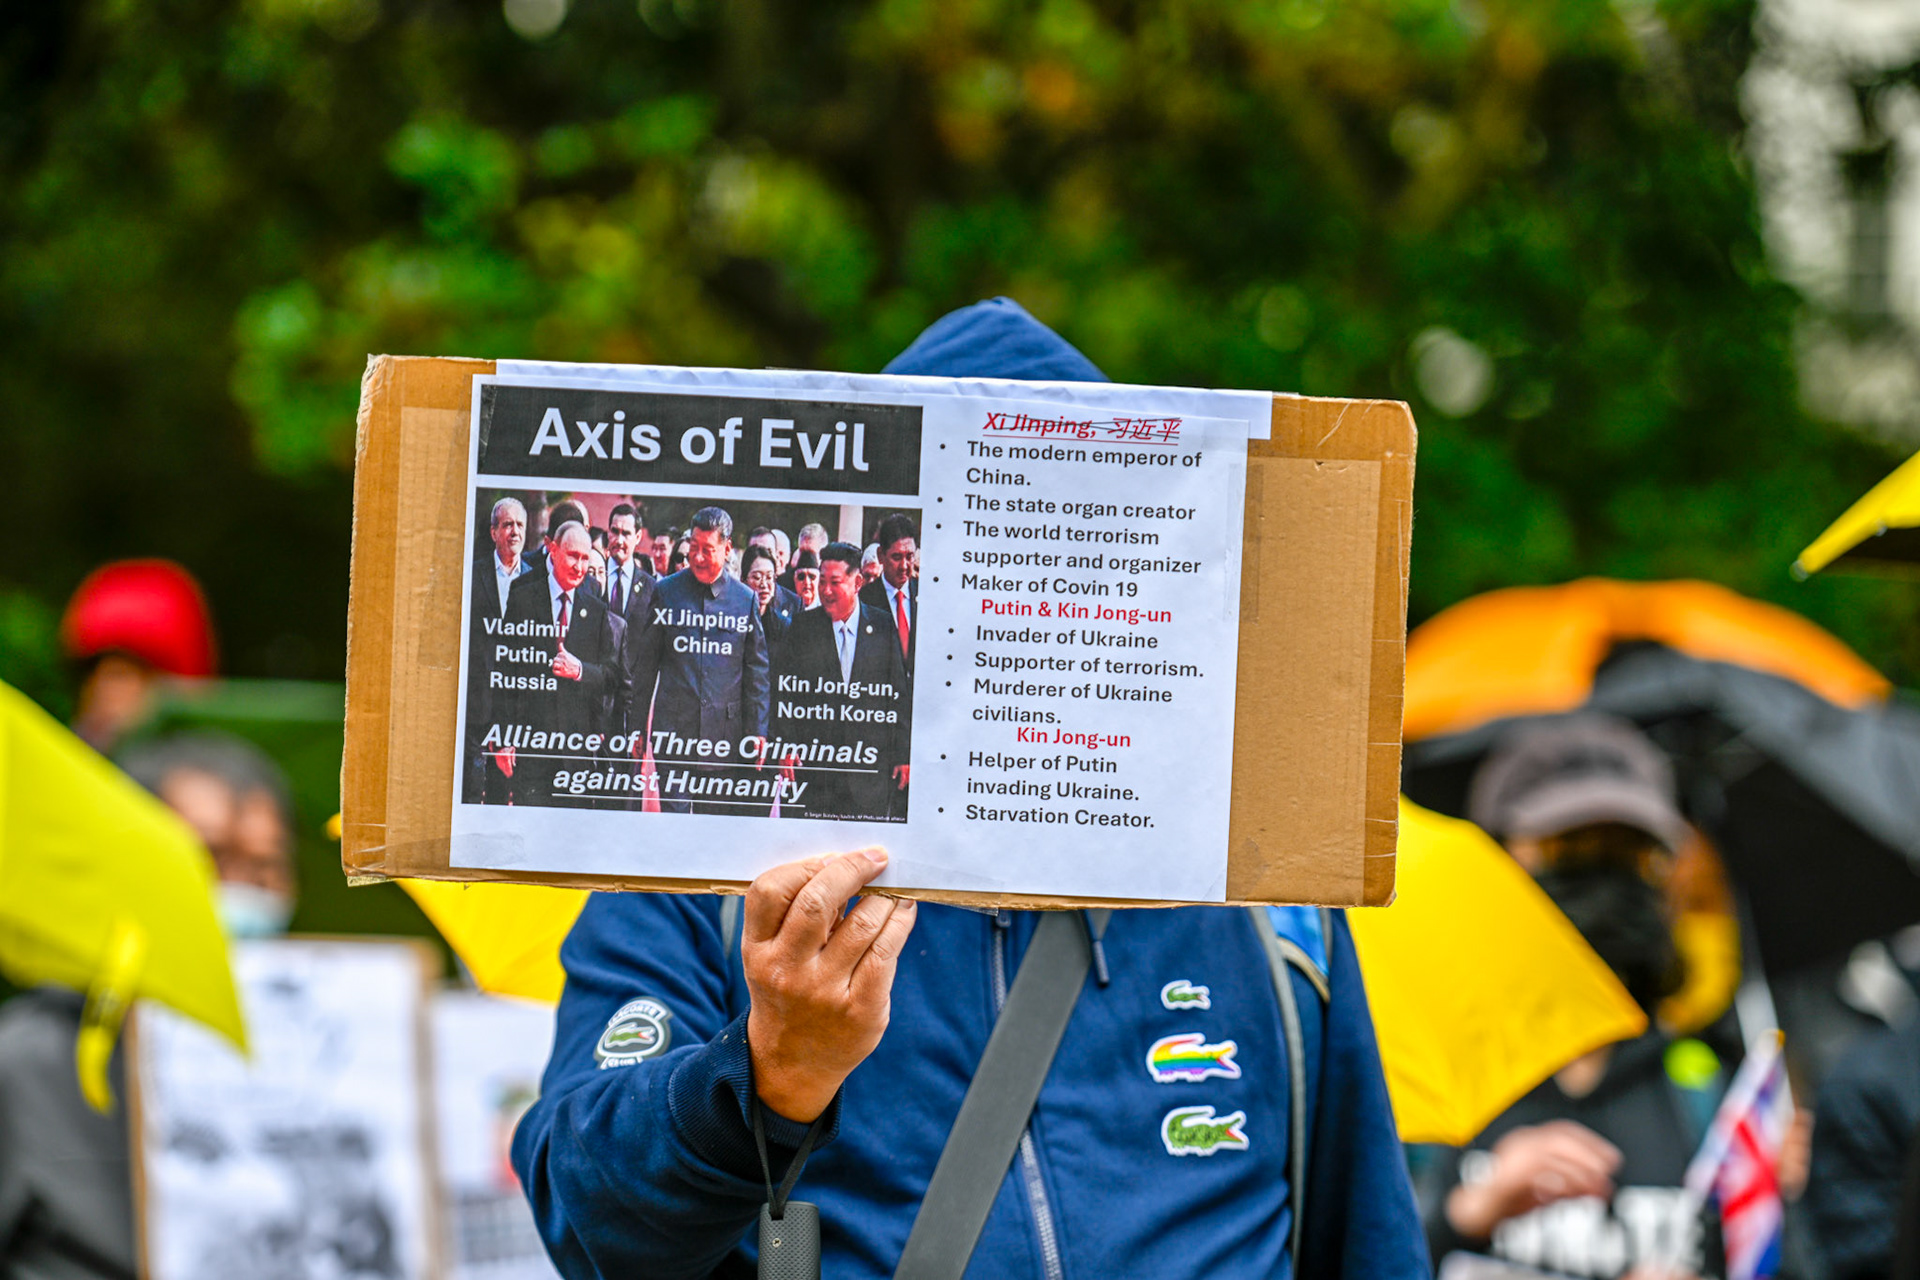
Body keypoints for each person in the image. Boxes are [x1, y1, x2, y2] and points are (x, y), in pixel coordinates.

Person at [511, 297, 1427, 1280]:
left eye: (1080, 548)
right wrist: (767, 1075)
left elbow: (1371, 1239)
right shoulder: (713, 870)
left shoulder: (1264, 894)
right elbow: (588, 1217)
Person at [1423, 715, 1732, 1280]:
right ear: (1494, 862)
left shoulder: (1708, 1092)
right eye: (1565, 850)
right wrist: (1463, 1216)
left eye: (1627, 852)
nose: (1601, 880)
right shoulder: (1418, 1067)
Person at [0, 732, 296, 1280]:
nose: (241, 891)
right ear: (129, 861)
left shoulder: (320, 1066)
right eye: (209, 858)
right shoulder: (29, 1064)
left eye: (265, 867)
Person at [624, 506, 770, 814]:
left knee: (713, 830)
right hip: (674, 735)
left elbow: (756, 670)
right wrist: (637, 727)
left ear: (727, 549)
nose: (698, 557)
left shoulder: (744, 600)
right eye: (694, 548)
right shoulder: (666, 592)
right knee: (676, 828)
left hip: (723, 738)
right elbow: (646, 666)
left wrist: (757, 729)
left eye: (708, 549)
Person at [771, 542, 910, 820]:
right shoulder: (803, 627)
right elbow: (783, 692)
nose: (825, 591)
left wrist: (903, 756)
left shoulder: (883, 627)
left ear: (857, 583)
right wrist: (785, 745)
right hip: (814, 774)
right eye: (822, 581)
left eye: (835, 583)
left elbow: (898, 695)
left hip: (867, 775)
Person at [494, 522, 626, 807]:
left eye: (585, 558)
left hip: (576, 752)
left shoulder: (595, 607)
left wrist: (580, 670)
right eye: (572, 556)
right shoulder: (523, 596)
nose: (580, 566)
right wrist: (504, 738)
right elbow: (505, 669)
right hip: (531, 746)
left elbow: (613, 675)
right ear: (553, 550)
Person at [59, 560, 217, 753]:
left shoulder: (210, 762)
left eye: (119, 675)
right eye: (90, 671)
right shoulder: (70, 750)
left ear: (168, 681)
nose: (101, 690)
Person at [861, 512, 919, 674]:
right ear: (881, 556)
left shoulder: (926, 595)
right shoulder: (864, 600)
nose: (904, 566)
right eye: (896, 557)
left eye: (909, 557)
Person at [741, 544, 800, 655]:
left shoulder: (783, 626)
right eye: (757, 577)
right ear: (743, 580)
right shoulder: (732, 621)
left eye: (769, 577)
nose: (764, 584)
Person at [779, 522, 830, 593]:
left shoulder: (830, 584)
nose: (806, 558)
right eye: (802, 552)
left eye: (811, 553)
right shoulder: (784, 583)